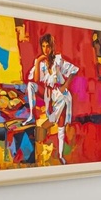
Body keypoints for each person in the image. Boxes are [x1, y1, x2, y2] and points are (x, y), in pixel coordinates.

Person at [23, 33, 78, 163]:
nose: (45, 49)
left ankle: (60, 155)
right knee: (31, 85)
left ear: (52, 47)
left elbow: (74, 70)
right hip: (48, 93)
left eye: (48, 46)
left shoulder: (58, 61)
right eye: (43, 46)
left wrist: (65, 86)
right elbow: (36, 79)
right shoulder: (41, 63)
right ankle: (31, 116)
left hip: (60, 93)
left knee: (62, 115)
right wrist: (37, 62)